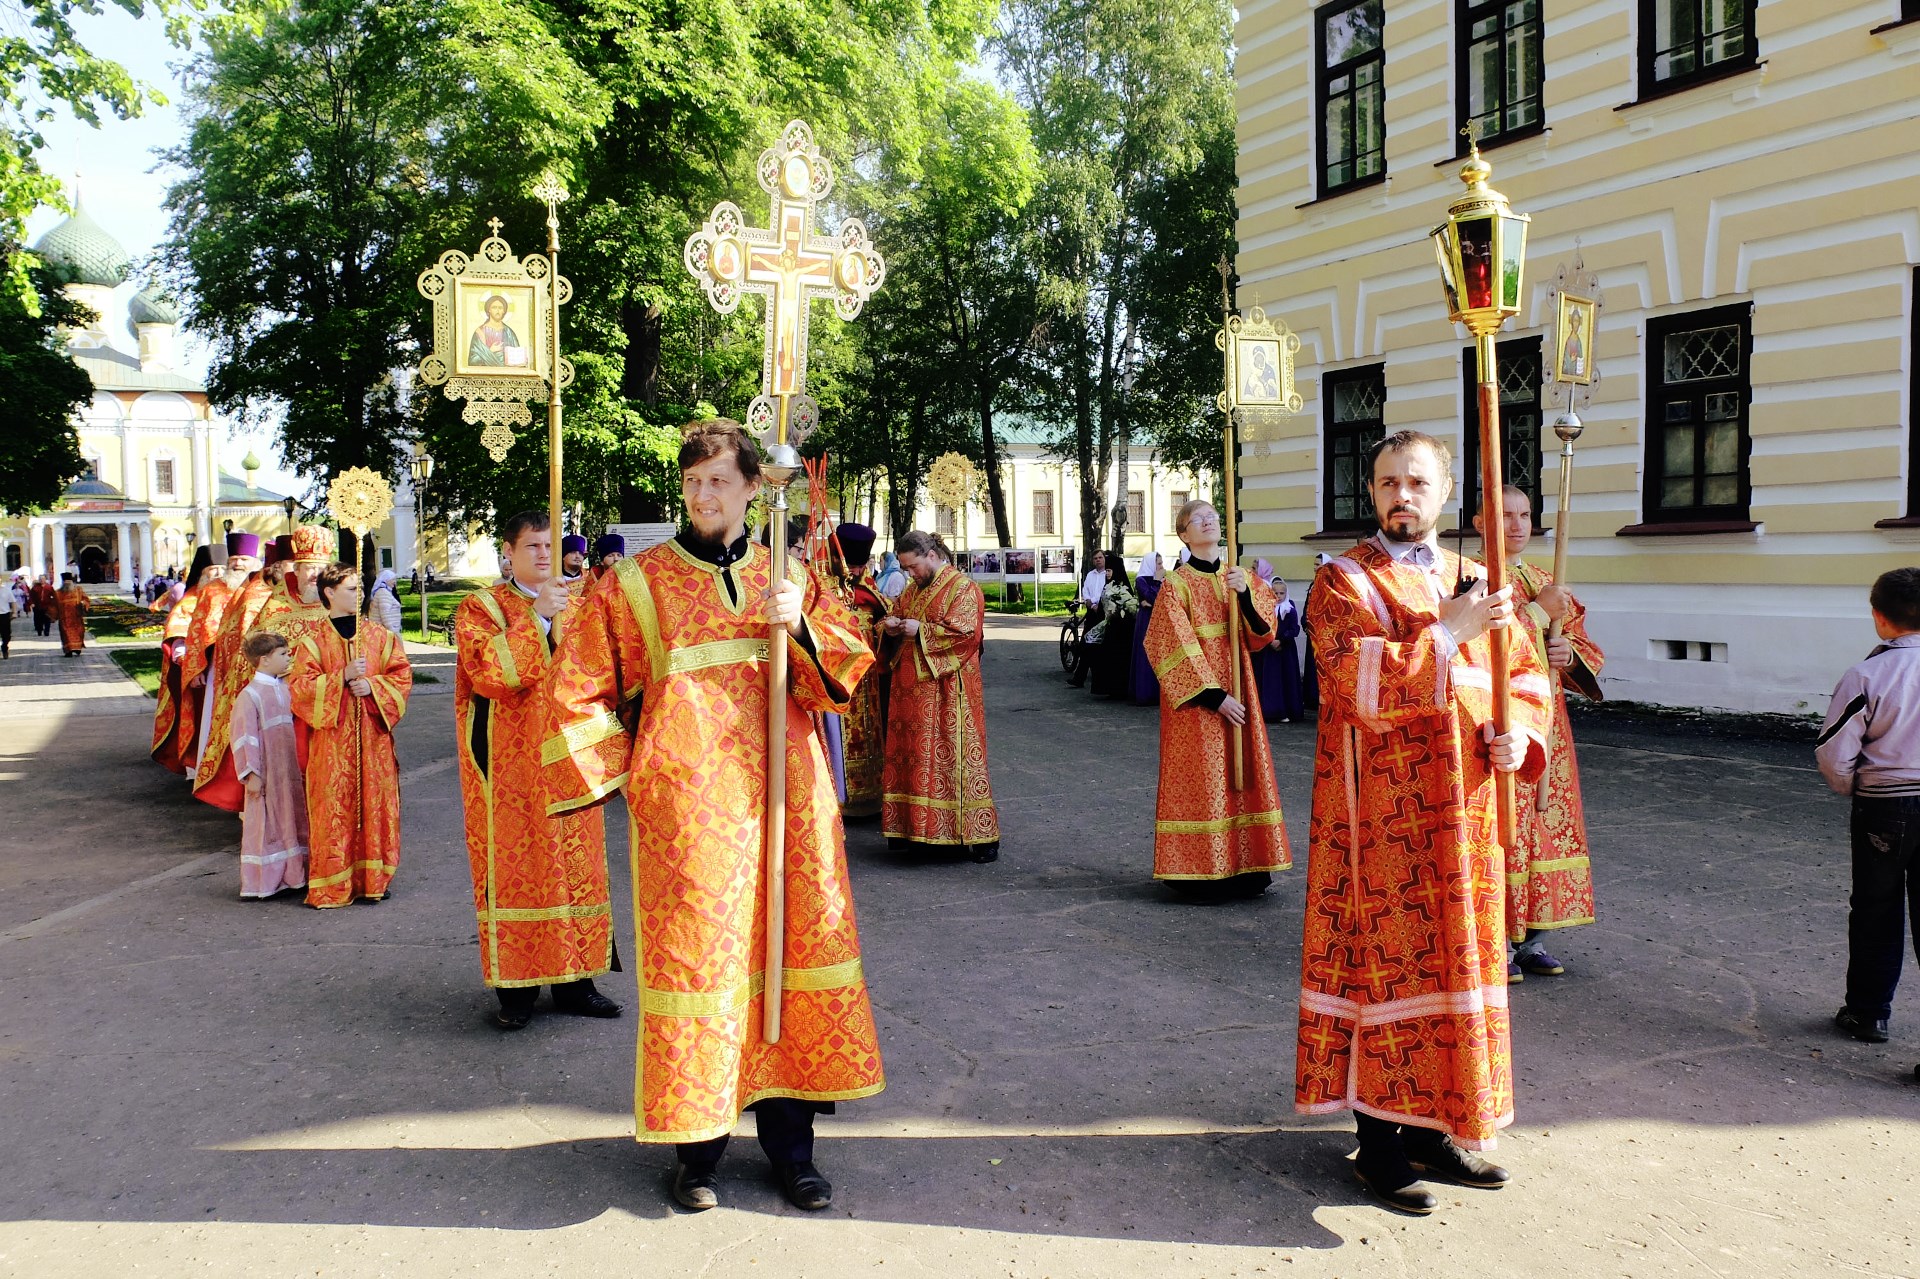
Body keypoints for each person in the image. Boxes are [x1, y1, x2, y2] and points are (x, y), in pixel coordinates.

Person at [542, 419, 883, 1213]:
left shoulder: (786, 571)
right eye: (692, 482)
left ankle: (793, 1151)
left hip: (788, 806)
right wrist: (638, 773)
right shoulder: (638, 582)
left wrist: (800, 624)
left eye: (719, 481)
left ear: (753, 487)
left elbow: (841, 675)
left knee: (787, 959)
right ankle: (697, 1152)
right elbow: (577, 685)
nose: (702, 495)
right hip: (690, 817)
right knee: (702, 967)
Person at [1295, 429, 1554, 1215]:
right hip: (1381, 822)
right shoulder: (1343, 581)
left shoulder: (1477, 579)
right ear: (1372, 492)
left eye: (1415, 482)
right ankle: (1379, 1141)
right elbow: (1352, 680)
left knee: (1458, 969)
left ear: (1444, 493)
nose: (1400, 495)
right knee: (1390, 969)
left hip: (1466, 816)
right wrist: (1449, 633)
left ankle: (1434, 1127)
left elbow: (1524, 675)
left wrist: (1519, 736)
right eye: (1386, 482)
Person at [455, 510, 619, 1031]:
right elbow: (488, 674)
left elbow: (605, 671)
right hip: (511, 765)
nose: (544, 554)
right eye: (532, 546)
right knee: (519, 870)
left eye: (550, 545)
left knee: (577, 868)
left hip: (570, 758)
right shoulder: (482, 607)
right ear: (509, 551)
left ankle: (578, 983)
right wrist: (539, 619)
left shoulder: (583, 603)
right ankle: (517, 990)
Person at [1476, 486, 1602, 980]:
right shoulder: (1469, 577)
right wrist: (1535, 615)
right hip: (1498, 723)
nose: (1517, 525)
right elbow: (1480, 644)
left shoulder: (1546, 579)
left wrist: (1566, 655)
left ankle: (1532, 937)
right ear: (1481, 522)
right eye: (1505, 515)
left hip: (1549, 727)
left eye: (1525, 515)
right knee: (1503, 828)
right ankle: (1495, 941)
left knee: (1543, 827)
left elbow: (1581, 644)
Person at [1143, 502, 1291, 900]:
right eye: (1198, 518)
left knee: (1241, 777)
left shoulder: (1239, 577)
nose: (1208, 521)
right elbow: (1169, 644)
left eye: (1212, 516)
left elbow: (1263, 634)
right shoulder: (1176, 584)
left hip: (1240, 689)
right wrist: (1214, 696)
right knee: (1205, 779)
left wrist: (1244, 596)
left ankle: (1247, 867)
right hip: (1198, 704)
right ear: (1184, 534)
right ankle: (1201, 872)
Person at [1818, 567, 1920, 1045]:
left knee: (1877, 909)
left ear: (1879, 617)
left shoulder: (1867, 674)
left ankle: (1868, 1012)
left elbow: (1834, 750)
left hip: (1886, 805)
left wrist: (1851, 786)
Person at [289, 562, 412, 908]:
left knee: (375, 806)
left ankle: (374, 880)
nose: (359, 595)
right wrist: (340, 677)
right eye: (351, 589)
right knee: (333, 809)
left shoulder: (379, 637)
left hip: (373, 743)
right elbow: (299, 689)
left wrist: (373, 687)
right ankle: (334, 883)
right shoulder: (312, 642)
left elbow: (401, 676)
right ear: (329, 593)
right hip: (331, 746)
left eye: (360, 588)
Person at [881, 531, 1001, 863]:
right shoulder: (912, 591)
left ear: (932, 556)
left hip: (950, 693)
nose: (910, 574)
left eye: (914, 566)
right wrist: (889, 626)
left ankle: (979, 837)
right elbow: (894, 613)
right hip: (911, 696)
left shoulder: (963, 588)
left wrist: (920, 630)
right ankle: (917, 833)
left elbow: (967, 635)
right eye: (906, 569)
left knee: (956, 761)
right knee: (915, 761)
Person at [194, 533, 288, 812]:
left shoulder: (271, 592)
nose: (236, 564)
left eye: (243, 559)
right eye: (233, 559)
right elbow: (209, 629)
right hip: (241, 672)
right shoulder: (249, 593)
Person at [231, 630, 309, 899]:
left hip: (288, 768)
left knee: (291, 817)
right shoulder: (250, 695)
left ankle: (295, 876)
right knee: (268, 823)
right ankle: (265, 882)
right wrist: (251, 773)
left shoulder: (285, 689)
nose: (289, 658)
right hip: (266, 772)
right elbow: (244, 736)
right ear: (264, 659)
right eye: (283, 654)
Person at [829, 522, 891, 818]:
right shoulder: (820, 585)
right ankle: (839, 798)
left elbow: (882, 614)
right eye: (851, 566)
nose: (855, 572)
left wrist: (885, 628)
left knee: (871, 733)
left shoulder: (869, 588)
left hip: (870, 681)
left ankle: (872, 795)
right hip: (837, 676)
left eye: (859, 566)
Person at [151, 546, 214, 774]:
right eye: (213, 570)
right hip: (201, 672)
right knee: (201, 720)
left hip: (225, 671)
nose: (218, 575)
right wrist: (190, 664)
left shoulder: (234, 596)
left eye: (222, 569)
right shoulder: (189, 602)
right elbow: (179, 637)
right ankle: (196, 767)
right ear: (202, 573)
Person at [1253, 562, 1306, 723]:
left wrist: (1282, 640)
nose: (1278, 596)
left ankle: (1289, 710)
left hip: (1285, 651)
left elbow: (1294, 628)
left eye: (1281, 593)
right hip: (1270, 651)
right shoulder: (1267, 608)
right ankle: (1273, 710)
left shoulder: (1289, 608)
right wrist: (1270, 639)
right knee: (1272, 681)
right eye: (1275, 593)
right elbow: (1262, 625)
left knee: (1287, 680)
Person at [1087, 550, 1137, 697]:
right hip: (1110, 629)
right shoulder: (1107, 586)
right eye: (1106, 571)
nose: (1107, 574)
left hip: (1121, 631)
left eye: (1109, 571)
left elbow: (1129, 608)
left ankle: (1120, 689)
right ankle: (1109, 688)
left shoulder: (1123, 588)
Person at [1130, 552, 1163, 705]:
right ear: (1151, 564)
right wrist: (1157, 582)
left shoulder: (1162, 578)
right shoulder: (1141, 580)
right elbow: (1153, 597)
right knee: (1145, 653)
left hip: (1158, 618)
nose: (1161, 567)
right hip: (1146, 620)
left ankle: (1157, 693)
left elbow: (1163, 598)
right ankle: (1144, 693)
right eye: (1159, 563)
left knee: (1158, 652)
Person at [467, 294, 525, 367]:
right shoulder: (480, 332)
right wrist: (490, 351)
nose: (497, 311)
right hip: (485, 372)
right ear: (489, 310)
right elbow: (472, 361)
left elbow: (518, 359)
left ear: (504, 311)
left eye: (500, 308)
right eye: (494, 307)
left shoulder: (509, 332)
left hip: (507, 372)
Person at [54, 573, 89, 656]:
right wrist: (53, 614)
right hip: (64, 618)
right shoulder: (58, 593)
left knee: (78, 633)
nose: (67, 583)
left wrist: (83, 603)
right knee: (66, 634)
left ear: (72, 582)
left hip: (76, 617)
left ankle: (77, 648)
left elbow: (86, 599)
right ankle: (68, 650)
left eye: (68, 582)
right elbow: (53, 605)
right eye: (65, 582)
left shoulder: (78, 590)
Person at [368, 568, 404, 634]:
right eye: (393, 579)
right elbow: (385, 614)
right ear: (386, 580)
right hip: (385, 632)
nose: (395, 582)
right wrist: (393, 631)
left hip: (383, 631)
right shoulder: (383, 593)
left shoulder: (384, 591)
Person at [0, 572, 17, 658]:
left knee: (6, 635)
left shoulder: (6, 590)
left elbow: (13, 602)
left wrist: (14, 612)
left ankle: (4, 647)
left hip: (4, 614)